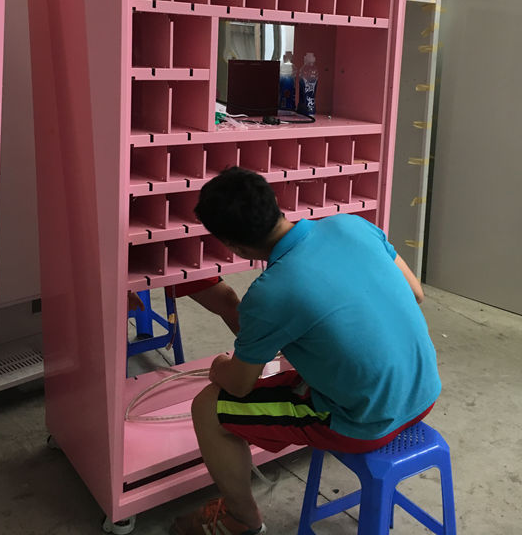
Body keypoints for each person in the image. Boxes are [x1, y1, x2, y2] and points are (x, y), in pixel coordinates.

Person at [171, 167, 441, 535]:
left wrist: (219, 366)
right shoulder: (352, 225)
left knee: (208, 408)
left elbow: (238, 386)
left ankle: (241, 520)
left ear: (233, 247)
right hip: (424, 392)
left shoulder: (270, 294)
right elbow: (416, 294)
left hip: (368, 420)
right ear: (274, 203)